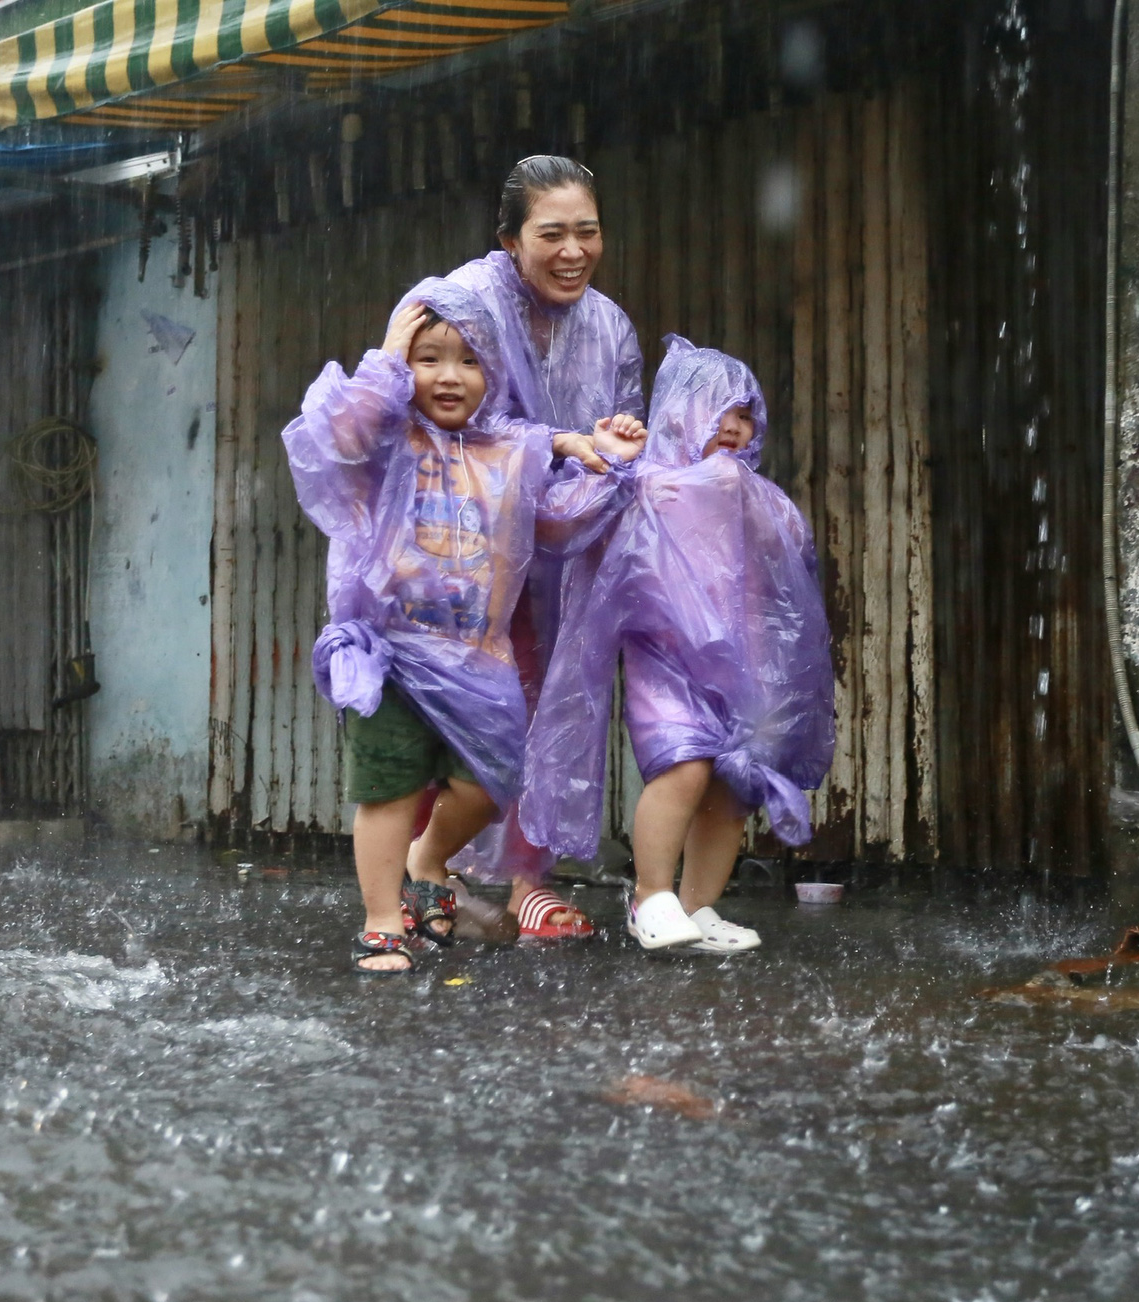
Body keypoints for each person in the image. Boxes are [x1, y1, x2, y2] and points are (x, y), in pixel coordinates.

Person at [282, 278, 642, 974]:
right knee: (388, 788)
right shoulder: (386, 436)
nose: (450, 376)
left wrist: (608, 465)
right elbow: (336, 436)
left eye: (470, 359)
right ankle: (384, 921)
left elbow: (559, 518)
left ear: (495, 371)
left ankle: (429, 859)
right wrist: (386, 360)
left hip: (478, 656)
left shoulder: (513, 448)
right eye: (429, 358)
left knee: (491, 781)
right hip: (387, 650)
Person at [521, 337, 836, 953]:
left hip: (745, 666)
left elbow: (790, 585)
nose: (736, 427)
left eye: (747, 415)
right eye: (722, 410)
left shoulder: (761, 498)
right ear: (679, 412)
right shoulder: (645, 482)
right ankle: (652, 897)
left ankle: (700, 906)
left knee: (734, 786)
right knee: (683, 765)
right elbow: (561, 521)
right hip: (664, 658)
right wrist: (611, 462)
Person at [443, 155, 645, 941]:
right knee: (469, 709)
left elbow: (623, 432)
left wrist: (620, 443)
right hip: (463, 551)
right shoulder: (465, 305)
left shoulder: (611, 326)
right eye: (551, 234)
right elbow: (436, 420)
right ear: (509, 241)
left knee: (550, 706)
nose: (573, 251)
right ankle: (444, 873)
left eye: (587, 232)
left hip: (562, 552)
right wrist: (553, 442)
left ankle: (518, 877)